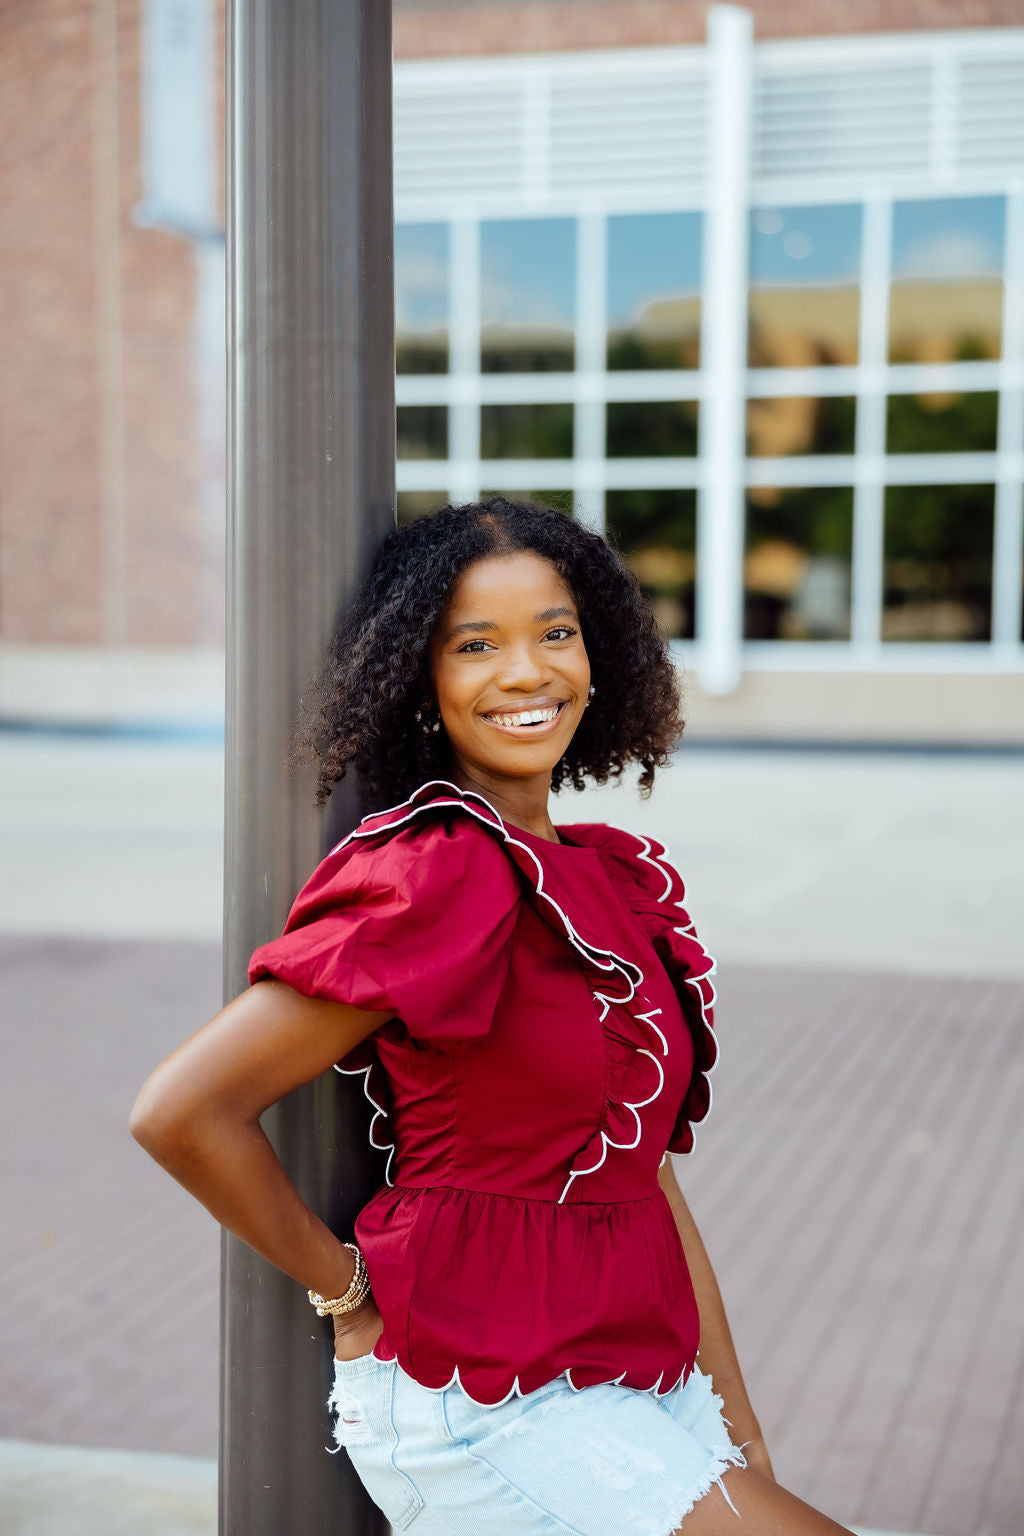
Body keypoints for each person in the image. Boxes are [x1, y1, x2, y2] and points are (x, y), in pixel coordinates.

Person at [131, 498, 854, 1535]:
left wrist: (733, 1424)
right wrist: (346, 1296)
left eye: (555, 632)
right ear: (422, 679)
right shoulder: (433, 875)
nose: (528, 673)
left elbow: (645, 1170)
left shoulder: (604, 878)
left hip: (636, 1374)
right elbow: (180, 1112)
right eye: (476, 646)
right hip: (481, 1399)